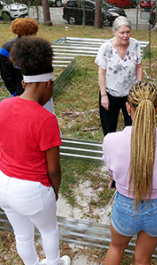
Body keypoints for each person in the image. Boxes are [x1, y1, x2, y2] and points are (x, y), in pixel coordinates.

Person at [0, 36, 70, 265]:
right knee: (49, 231)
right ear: (48, 84)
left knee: (22, 234)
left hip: (4, 184)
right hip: (32, 191)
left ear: (23, 83)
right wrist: (55, 192)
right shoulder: (46, 119)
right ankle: (54, 263)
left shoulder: (2, 105)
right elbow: (54, 169)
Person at [102, 81, 157, 264]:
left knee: (116, 248)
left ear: (128, 107)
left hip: (124, 206)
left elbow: (112, 171)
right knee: (143, 258)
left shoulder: (111, 140)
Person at [95, 16, 143, 136]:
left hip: (130, 93)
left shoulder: (135, 45)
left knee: (132, 127)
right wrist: (103, 95)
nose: (125, 36)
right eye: (122, 33)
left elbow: (139, 67)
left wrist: (139, 89)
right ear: (114, 32)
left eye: (128, 32)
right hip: (111, 93)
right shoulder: (105, 48)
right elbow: (101, 72)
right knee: (109, 129)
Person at [0, 18, 58, 116]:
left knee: (46, 116)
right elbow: (6, 75)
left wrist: (44, 93)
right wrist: (15, 93)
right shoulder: (6, 50)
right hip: (18, 93)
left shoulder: (40, 48)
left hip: (41, 93)